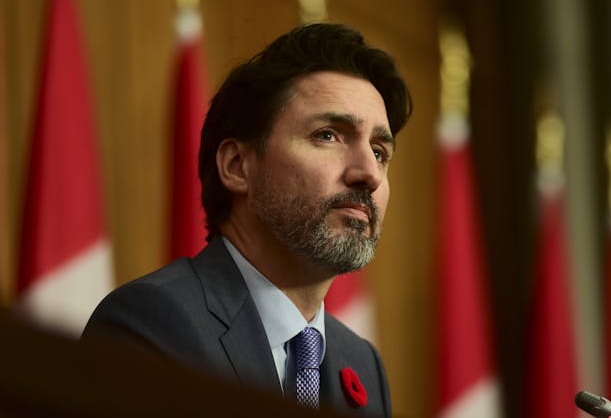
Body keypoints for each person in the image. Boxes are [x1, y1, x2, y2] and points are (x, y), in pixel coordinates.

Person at [82, 23, 412, 417]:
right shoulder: (153, 325)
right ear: (237, 166)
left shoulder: (362, 366)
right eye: (328, 135)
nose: (369, 174)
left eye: (379, 151)